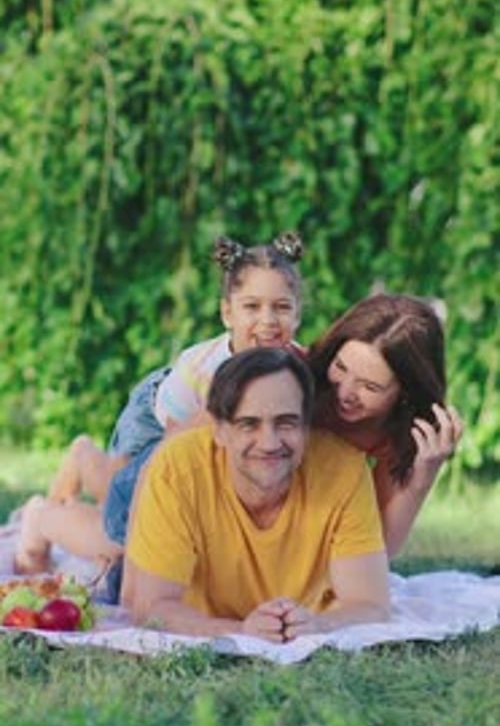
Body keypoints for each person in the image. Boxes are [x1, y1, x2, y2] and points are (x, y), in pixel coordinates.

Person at [14, 232, 304, 579]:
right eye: (252, 307)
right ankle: (41, 516)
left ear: (297, 314)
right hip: (159, 419)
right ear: (228, 313)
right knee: (122, 521)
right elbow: (172, 451)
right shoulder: (206, 372)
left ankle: (83, 465)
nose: (269, 320)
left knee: (130, 513)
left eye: (282, 307)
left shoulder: (296, 364)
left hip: (197, 435)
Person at [124, 347, 390, 640]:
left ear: (306, 426)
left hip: (307, 614)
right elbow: (150, 607)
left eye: (286, 422)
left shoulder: (345, 468)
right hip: (197, 607)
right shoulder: (177, 468)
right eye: (249, 424)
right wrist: (241, 631)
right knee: (104, 554)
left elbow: (370, 605)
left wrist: (317, 625)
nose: (269, 443)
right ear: (220, 429)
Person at [308, 293, 463, 557]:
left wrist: (420, 481)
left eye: (370, 386)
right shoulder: (294, 381)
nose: (345, 393)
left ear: (406, 392)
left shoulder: (396, 434)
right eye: (341, 367)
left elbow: (379, 550)